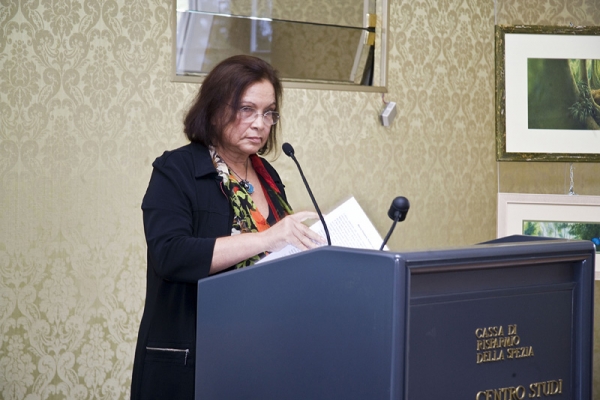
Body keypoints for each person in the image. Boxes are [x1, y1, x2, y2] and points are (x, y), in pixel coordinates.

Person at [130, 55, 325, 399]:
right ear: (214, 110)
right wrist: (266, 238)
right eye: (247, 109)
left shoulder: (268, 175)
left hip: (259, 354)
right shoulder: (177, 169)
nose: (260, 124)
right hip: (194, 358)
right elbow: (169, 255)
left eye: (269, 113)